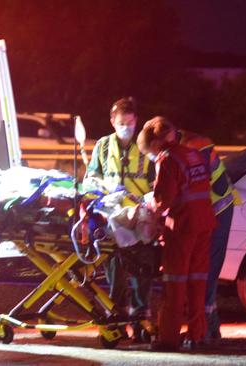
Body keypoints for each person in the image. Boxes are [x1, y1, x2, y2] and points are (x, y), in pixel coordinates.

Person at [137, 117, 216, 351]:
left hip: (182, 226)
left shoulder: (167, 159)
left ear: (154, 144)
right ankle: (197, 334)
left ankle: (168, 338)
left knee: (175, 281)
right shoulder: (191, 153)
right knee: (197, 280)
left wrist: (150, 206)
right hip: (204, 222)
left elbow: (164, 200)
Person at [84, 97, 155, 341]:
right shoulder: (103, 147)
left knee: (141, 270)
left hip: (140, 217)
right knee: (114, 270)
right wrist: (105, 186)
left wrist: (148, 201)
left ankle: (139, 320)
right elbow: (90, 180)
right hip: (112, 217)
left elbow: (158, 181)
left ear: (137, 121)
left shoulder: (146, 145)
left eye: (130, 121)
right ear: (112, 122)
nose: (126, 126)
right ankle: (117, 316)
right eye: (121, 122)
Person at [179, 132, 240, 344]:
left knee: (207, 271)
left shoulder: (194, 148)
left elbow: (196, 184)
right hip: (215, 209)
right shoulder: (189, 147)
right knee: (206, 271)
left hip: (218, 211)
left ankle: (205, 327)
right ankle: (211, 326)